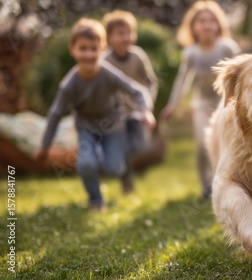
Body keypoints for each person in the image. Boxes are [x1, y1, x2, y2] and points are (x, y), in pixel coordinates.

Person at [35, 18, 155, 212]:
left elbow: (138, 91)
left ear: (102, 49)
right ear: (72, 49)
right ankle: (96, 200)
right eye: (83, 48)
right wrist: (45, 146)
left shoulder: (108, 73)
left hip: (113, 125)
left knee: (115, 168)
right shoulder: (69, 84)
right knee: (86, 165)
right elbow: (55, 114)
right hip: (87, 126)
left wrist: (146, 111)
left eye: (94, 48)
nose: (89, 54)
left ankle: (101, 155)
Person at [161, 0, 240, 199]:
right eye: (201, 21)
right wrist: (173, 105)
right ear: (193, 26)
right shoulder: (191, 53)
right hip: (203, 104)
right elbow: (182, 80)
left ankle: (226, 182)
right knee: (203, 144)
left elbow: (240, 76)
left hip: (226, 103)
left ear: (219, 25)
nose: (206, 25)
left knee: (225, 143)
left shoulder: (227, 48)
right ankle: (207, 185)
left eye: (211, 21)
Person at [102, 10, 159, 194]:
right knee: (122, 146)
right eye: (120, 33)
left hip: (137, 110)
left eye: (129, 32)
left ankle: (132, 167)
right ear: (109, 37)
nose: (126, 37)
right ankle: (126, 181)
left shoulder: (137, 56)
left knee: (141, 146)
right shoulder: (104, 61)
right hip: (115, 113)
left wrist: (147, 108)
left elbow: (151, 82)